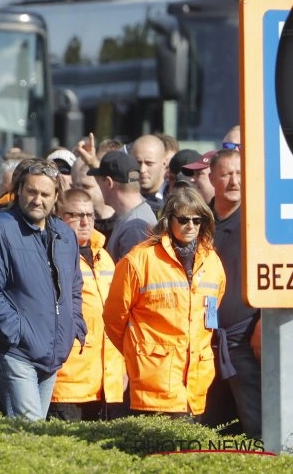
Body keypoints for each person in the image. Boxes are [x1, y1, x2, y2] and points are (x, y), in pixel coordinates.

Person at [0, 159, 86, 420]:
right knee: (30, 431)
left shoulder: (65, 235)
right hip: (16, 352)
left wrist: (74, 324)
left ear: (56, 196)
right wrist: (18, 332)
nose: (37, 199)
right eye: (31, 191)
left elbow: (74, 287)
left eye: (45, 194)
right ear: (19, 191)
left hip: (52, 352)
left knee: (34, 435)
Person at [103, 186, 226, 419]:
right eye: (183, 219)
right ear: (169, 220)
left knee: (189, 452)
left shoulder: (212, 262)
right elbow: (113, 318)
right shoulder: (139, 260)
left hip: (196, 384)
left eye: (197, 220)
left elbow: (210, 313)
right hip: (153, 382)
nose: (191, 225)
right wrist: (137, 352)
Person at [48, 189, 125, 421]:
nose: (85, 222)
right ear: (60, 216)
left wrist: (121, 370)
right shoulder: (52, 255)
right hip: (68, 383)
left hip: (105, 383)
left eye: (90, 215)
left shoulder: (104, 257)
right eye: (76, 215)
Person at [202, 149, 261, 439]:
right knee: (207, 430)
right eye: (226, 174)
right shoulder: (197, 222)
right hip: (202, 343)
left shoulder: (258, 223)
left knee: (256, 426)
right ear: (211, 178)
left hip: (245, 342)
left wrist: (265, 319)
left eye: (239, 173)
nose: (234, 181)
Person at [88, 151, 157, 263]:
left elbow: (131, 278)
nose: (99, 187)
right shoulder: (136, 215)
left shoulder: (134, 228)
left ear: (109, 182)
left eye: (100, 181)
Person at [130, 135, 168, 216]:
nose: (142, 170)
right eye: (138, 162)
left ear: (164, 163)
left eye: (149, 163)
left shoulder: (174, 199)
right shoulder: (123, 196)